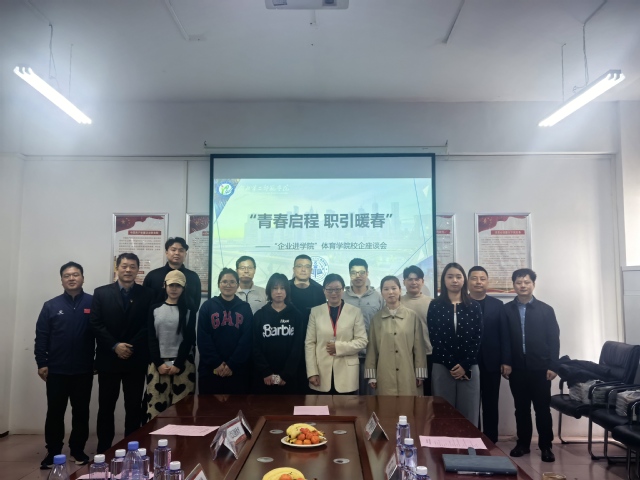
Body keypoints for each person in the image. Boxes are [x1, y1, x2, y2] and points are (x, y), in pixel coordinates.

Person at [90, 253, 155, 453]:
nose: (128, 270)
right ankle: (104, 449)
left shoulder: (148, 294)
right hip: (109, 359)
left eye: (132, 266)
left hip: (135, 359)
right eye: (124, 266)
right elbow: (96, 324)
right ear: (116, 268)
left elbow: (149, 325)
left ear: (138, 270)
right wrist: (115, 345)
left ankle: (132, 449)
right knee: (106, 407)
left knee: (133, 407)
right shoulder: (101, 293)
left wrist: (129, 347)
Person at [34, 262, 94, 468]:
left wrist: (97, 361)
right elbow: (41, 336)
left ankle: (77, 450)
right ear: (61, 280)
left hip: (83, 369)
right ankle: (53, 452)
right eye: (67, 275)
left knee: (81, 412)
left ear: (83, 278)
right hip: (56, 369)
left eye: (75, 274)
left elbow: (101, 333)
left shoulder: (93, 303)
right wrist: (42, 362)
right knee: (55, 412)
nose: (71, 278)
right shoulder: (51, 305)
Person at [504, 268, 560, 463]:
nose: (523, 286)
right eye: (519, 282)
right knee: (521, 409)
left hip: (541, 369)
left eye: (527, 282)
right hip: (517, 369)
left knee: (542, 409)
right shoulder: (507, 310)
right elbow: (505, 339)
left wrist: (554, 365)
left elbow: (554, 340)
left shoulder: (546, 310)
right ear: (514, 285)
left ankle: (546, 446)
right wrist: (506, 362)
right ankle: (523, 444)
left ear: (533, 284)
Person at [427, 262, 482, 425]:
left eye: (458, 277)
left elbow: (477, 337)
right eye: (450, 277)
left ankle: (468, 443)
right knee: (443, 412)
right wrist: (451, 364)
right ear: (444, 280)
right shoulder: (435, 305)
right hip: (442, 365)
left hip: (469, 366)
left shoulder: (474, 306)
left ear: (464, 280)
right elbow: (435, 338)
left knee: (469, 412)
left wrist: (464, 364)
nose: (454, 280)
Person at [145, 270, 197, 421]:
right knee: (156, 409)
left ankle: (182, 438)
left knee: (183, 410)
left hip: (183, 364)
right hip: (158, 364)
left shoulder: (189, 310)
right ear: (165, 286)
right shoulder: (155, 309)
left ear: (184, 288)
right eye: (171, 285)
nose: (174, 289)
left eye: (178, 286)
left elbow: (188, 339)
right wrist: (159, 363)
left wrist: (178, 364)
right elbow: (151, 337)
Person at [467, 266, 511, 444]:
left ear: (487, 282)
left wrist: (506, 360)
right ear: (468, 282)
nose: (478, 282)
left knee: (491, 403)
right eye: (474, 278)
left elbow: (505, 334)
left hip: (492, 362)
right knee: (471, 404)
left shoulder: (498, 305)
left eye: (482, 278)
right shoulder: (461, 303)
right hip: (468, 362)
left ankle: (491, 441)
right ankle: (473, 438)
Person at [305, 274, 368, 394]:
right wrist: (312, 372)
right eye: (329, 289)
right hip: (321, 373)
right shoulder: (315, 312)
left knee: (347, 406)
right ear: (324, 291)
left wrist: (338, 347)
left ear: (343, 289)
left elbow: (362, 341)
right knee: (320, 406)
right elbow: (310, 343)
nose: (333, 293)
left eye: (337, 289)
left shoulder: (355, 312)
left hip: (347, 374)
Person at [365, 276, 426, 396]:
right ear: (381, 292)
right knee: (386, 405)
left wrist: (420, 373)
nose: (390, 292)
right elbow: (372, 349)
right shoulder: (376, 319)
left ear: (400, 290)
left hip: (407, 373)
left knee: (408, 405)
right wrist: (371, 376)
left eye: (394, 288)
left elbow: (419, 347)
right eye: (386, 289)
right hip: (384, 373)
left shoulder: (412, 316)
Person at [197, 268, 253, 394]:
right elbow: (203, 338)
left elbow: (246, 339)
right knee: (209, 406)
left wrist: (232, 364)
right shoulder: (207, 306)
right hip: (211, 370)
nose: (228, 285)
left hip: (237, 371)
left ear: (237, 285)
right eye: (224, 281)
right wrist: (217, 363)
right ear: (218, 284)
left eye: (232, 282)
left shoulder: (245, 308)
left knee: (237, 406)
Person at [252, 273, 304, 394]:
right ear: (269, 291)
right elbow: (255, 346)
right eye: (275, 288)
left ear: (287, 291)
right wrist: (266, 372)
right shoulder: (259, 315)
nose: (279, 292)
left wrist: (286, 374)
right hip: (264, 378)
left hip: (288, 378)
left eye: (282, 288)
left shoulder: (296, 315)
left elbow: (297, 348)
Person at [342, 258, 384, 395]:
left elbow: (384, 325)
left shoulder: (378, 297)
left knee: (371, 398)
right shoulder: (342, 298)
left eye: (361, 272)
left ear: (367, 273)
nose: (358, 276)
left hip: (372, 356)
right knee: (350, 397)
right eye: (354, 272)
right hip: (348, 356)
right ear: (349, 274)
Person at [288, 254, 326, 392]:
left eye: (307, 266)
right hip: (288, 342)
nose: (303, 269)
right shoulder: (285, 288)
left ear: (311, 269)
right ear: (294, 269)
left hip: (312, 343)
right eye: (299, 266)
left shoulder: (319, 290)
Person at [143, 237, 202, 311]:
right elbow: (144, 300)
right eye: (173, 250)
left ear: (185, 254)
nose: (177, 253)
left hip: (185, 318)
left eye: (181, 250)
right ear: (166, 253)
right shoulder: (152, 276)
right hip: (157, 318)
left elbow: (196, 303)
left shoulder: (193, 277)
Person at [401, 265, 433, 395]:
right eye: (410, 279)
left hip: (428, 353)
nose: (413, 282)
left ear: (422, 281)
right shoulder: (398, 302)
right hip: (405, 354)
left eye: (417, 279)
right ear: (404, 282)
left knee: (428, 394)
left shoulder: (432, 303)